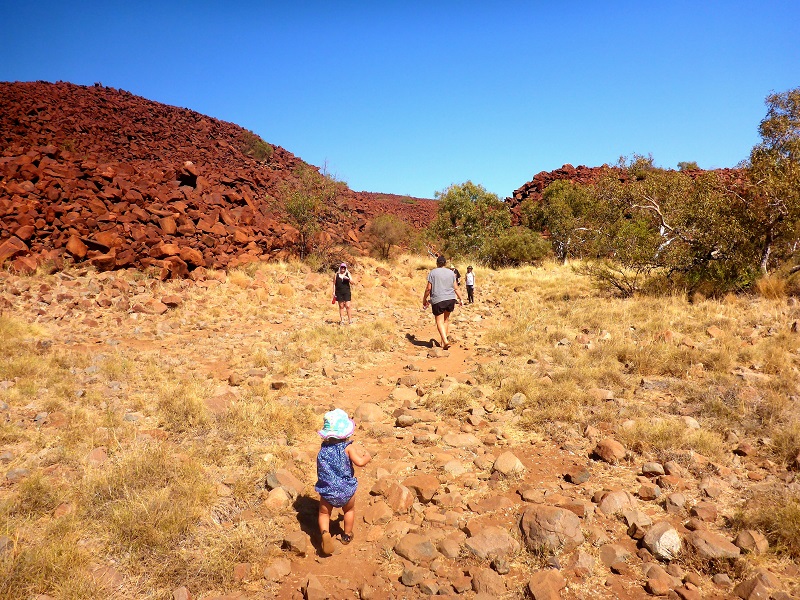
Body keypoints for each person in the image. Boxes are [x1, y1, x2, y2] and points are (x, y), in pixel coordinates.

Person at [315, 408, 372, 555]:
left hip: (327, 490)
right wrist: (367, 457)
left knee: (324, 513)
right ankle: (346, 535)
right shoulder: (347, 448)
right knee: (349, 510)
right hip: (346, 489)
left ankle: (325, 533)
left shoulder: (323, 449)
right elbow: (359, 462)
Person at [422, 254, 464, 350]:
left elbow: (428, 289)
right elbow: (456, 288)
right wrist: (461, 299)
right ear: (445, 263)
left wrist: (424, 299)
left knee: (439, 321)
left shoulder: (433, 273)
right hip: (450, 299)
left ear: (437, 263)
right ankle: (442, 342)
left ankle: (445, 341)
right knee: (446, 320)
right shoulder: (451, 273)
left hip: (438, 300)